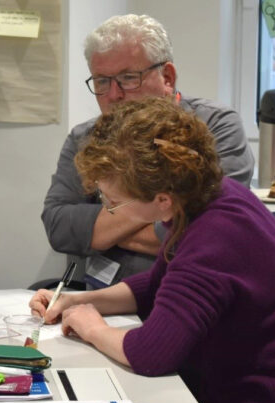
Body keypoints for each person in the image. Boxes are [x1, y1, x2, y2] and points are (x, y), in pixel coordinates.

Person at [31, 97, 275, 403]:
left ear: (161, 200)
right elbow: (161, 283)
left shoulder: (214, 238)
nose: (108, 208)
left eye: (114, 202)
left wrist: (92, 328)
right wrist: (79, 302)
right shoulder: (211, 195)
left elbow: (150, 354)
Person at [42, 14, 255, 287]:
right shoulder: (84, 137)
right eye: (101, 82)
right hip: (101, 291)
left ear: (167, 77)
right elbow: (59, 226)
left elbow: (210, 233)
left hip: (190, 288)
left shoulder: (215, 127)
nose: (114, 94)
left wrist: (102, 228)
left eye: (128, 78)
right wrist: (161, 216)